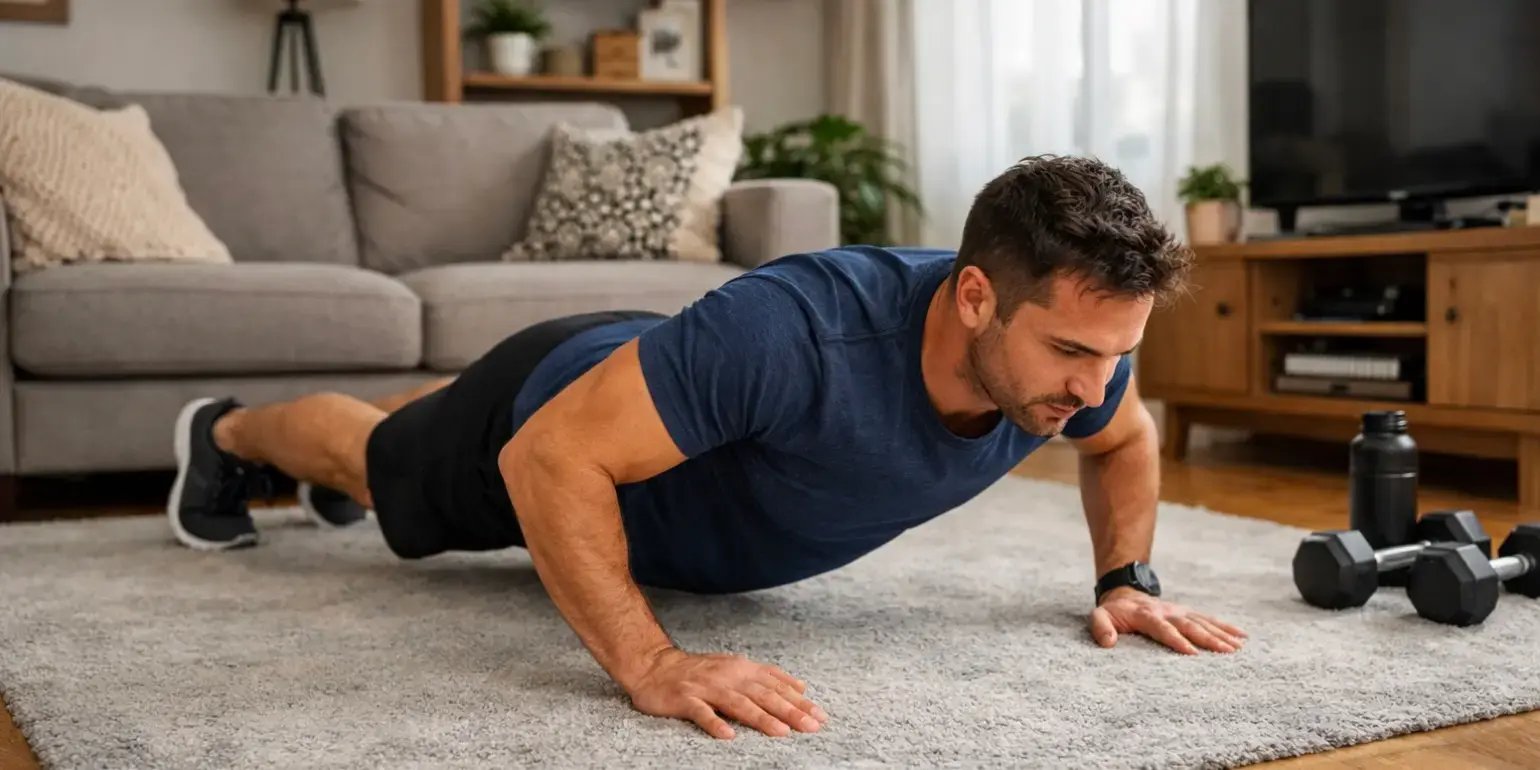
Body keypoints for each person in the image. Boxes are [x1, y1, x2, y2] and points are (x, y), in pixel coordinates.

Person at [165, 155, 1248, 741]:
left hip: (657, 380)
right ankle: (222, 433)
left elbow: (1129, 440)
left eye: (1116, 353)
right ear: (975, 297)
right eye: (1071, 350)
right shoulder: (802, 331)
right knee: (378, 458)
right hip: (536, 416)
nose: (1095, 383)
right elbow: (549, 460)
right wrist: (650, 659)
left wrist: (1127, 575)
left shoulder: (1075, 361)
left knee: (498, 412)